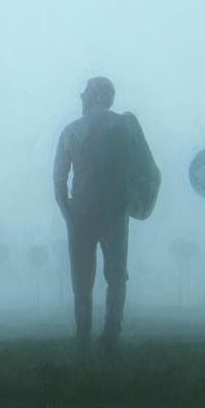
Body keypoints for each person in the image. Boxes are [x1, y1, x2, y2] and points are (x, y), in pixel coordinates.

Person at [53, 77, 132, 358]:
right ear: (109, 98)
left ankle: (82, 336)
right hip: (115, 211)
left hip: (81, 213)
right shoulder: (124, 127)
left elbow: (59, 180)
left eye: (84, 95)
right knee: (117, 275)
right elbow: (141, 170)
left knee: (82, 279)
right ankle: (112, 334)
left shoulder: (71, 130)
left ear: (89, 97)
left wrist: (68, 214)